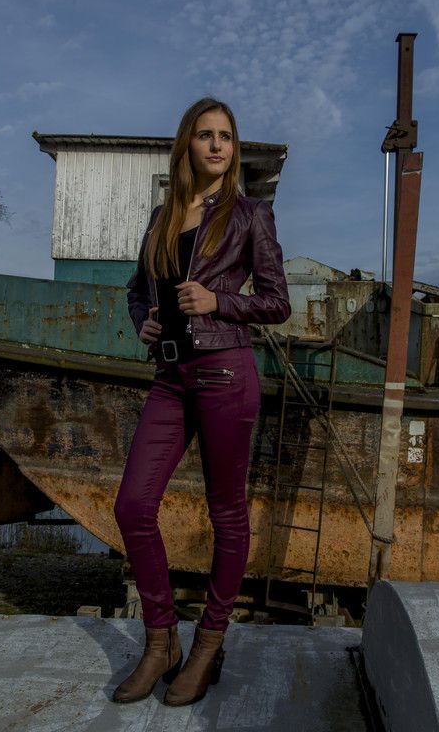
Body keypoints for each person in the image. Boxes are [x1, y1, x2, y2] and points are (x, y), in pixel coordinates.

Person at [113, 97, 290, 707]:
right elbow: (137, 290)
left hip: (224, 373)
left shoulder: (250, 215)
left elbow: (277, 301)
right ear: (186, 144)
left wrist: (220, 302)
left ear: (233, 150)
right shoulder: (162, 217)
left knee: (226, 515)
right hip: (169, 377)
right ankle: (160, 641)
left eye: (226, 137)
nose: (216, 145)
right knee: (133, 505)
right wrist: (142, 320)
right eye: (205, 135)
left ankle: (209, 644)